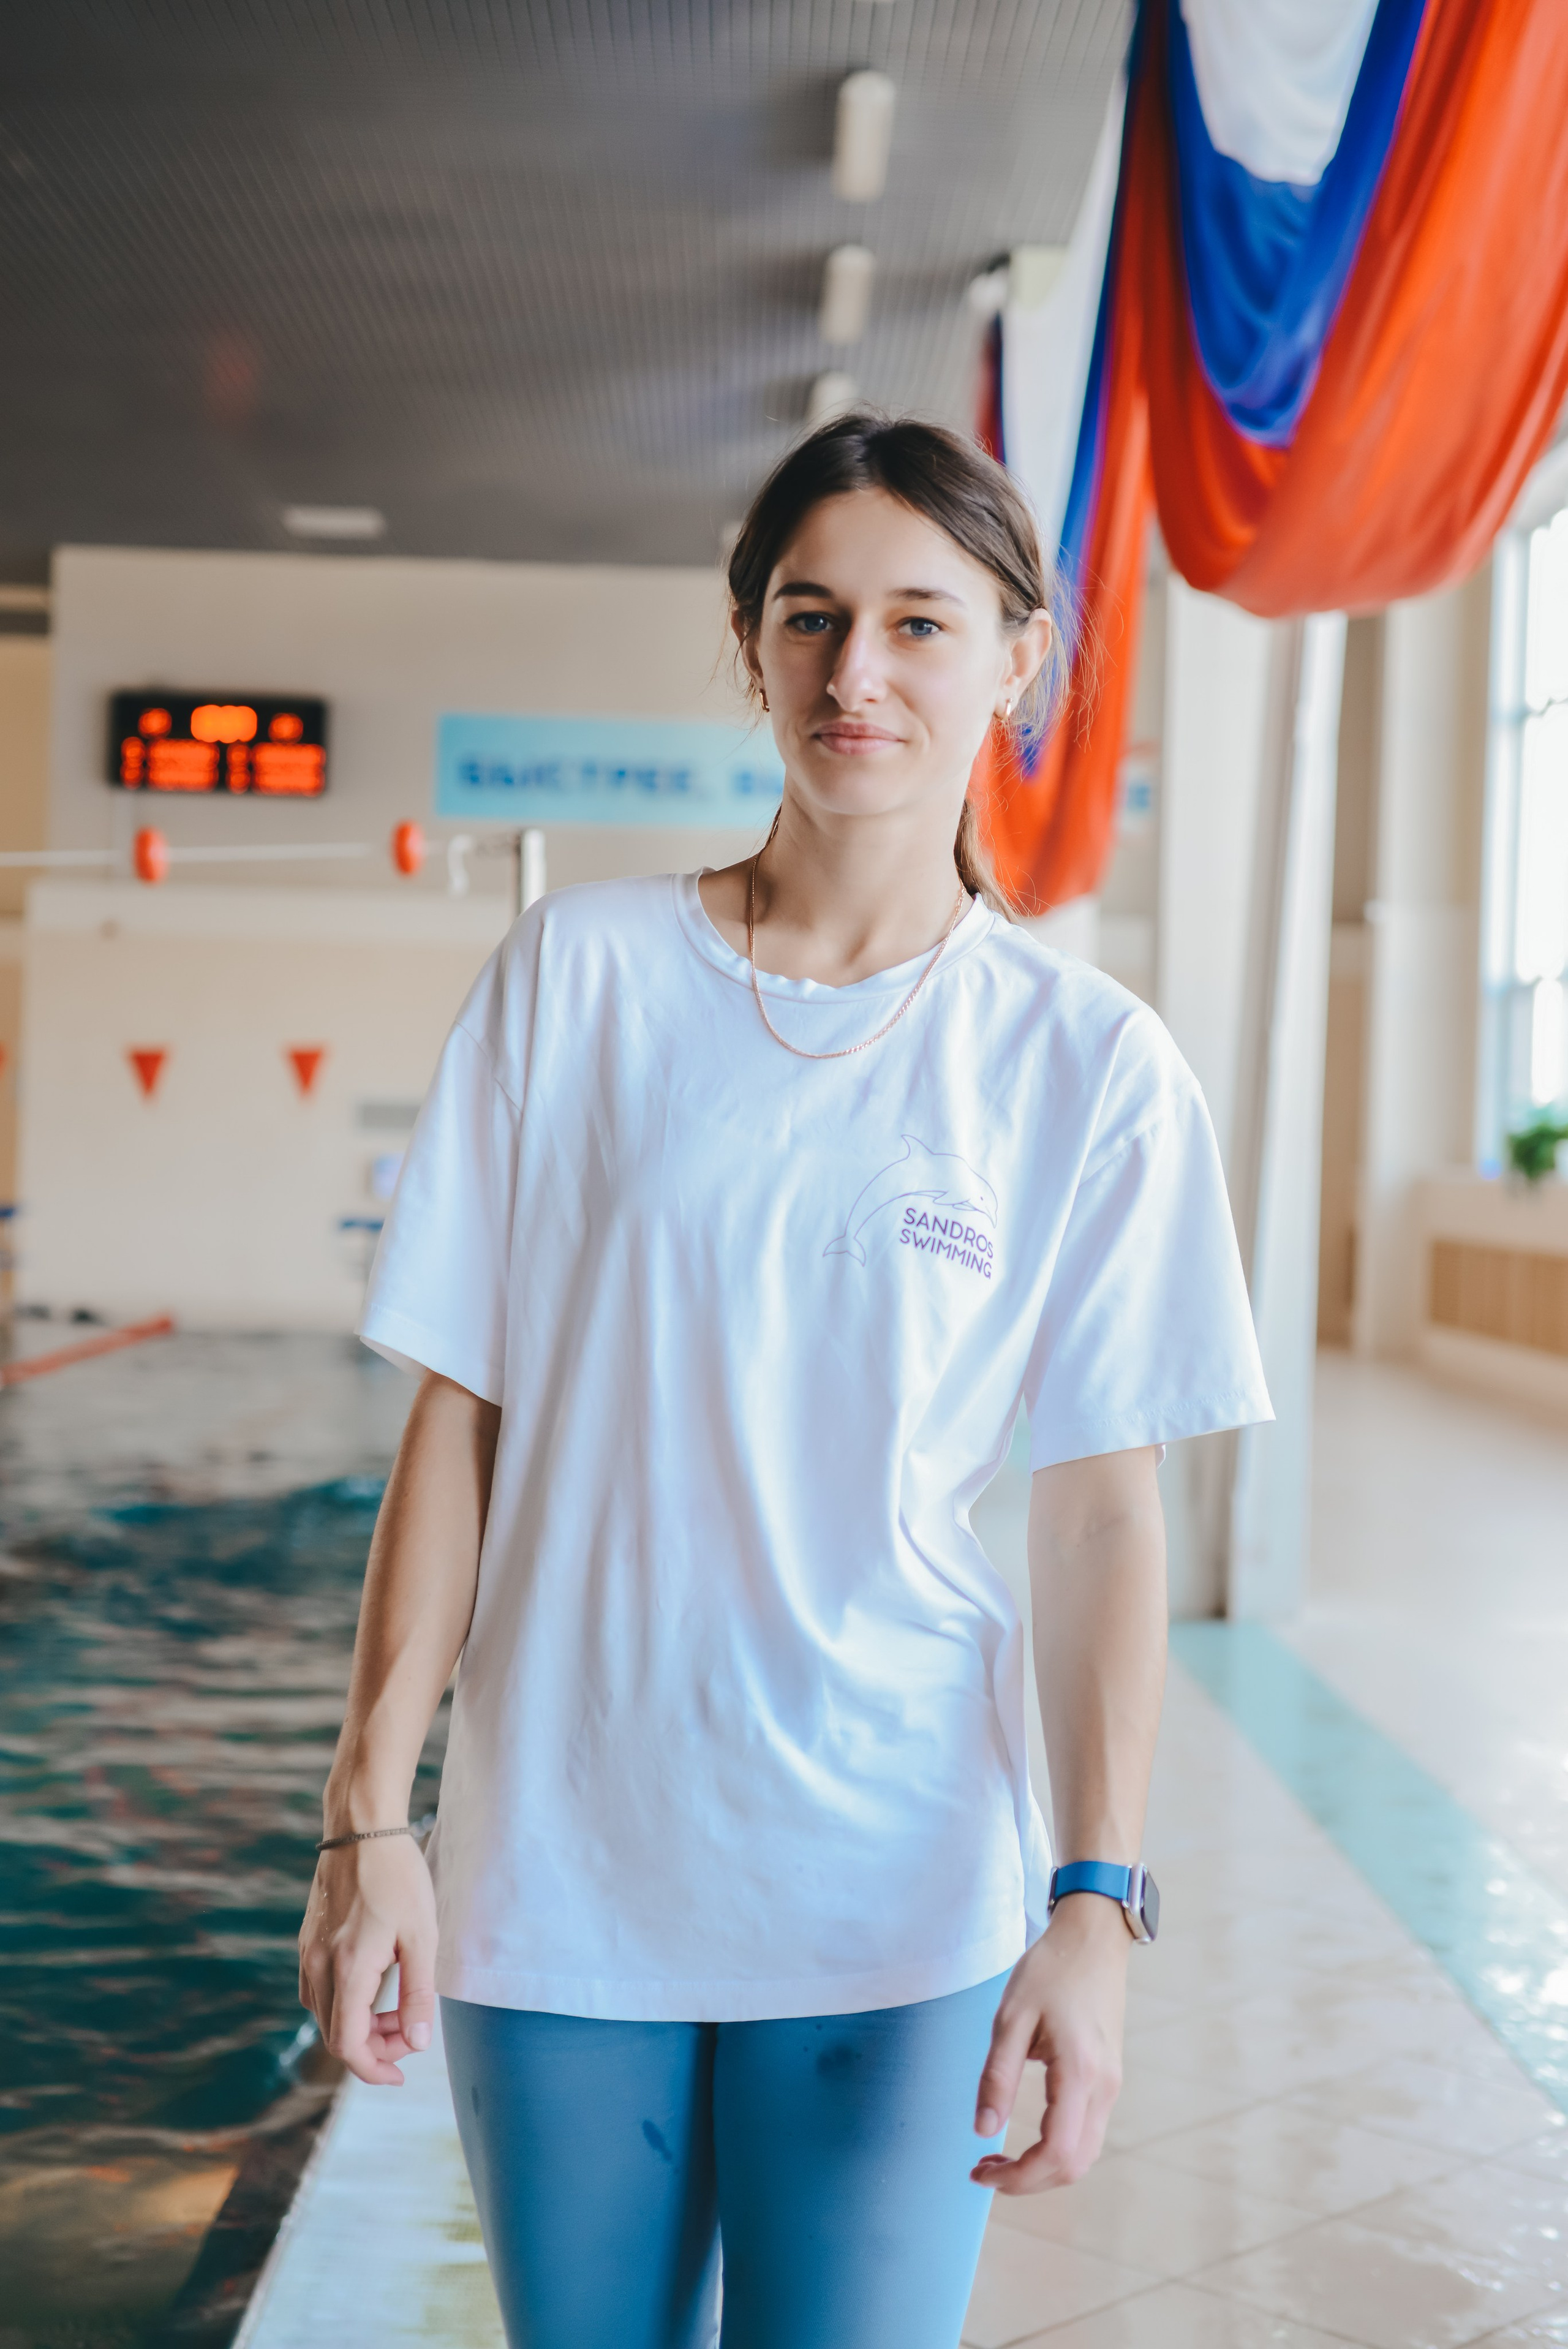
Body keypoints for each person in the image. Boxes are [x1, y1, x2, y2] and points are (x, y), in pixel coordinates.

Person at [298, 412, 1271, 2349]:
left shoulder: (1083, 1065)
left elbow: (1095, 1514)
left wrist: (1095, 1902)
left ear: (1018, 661)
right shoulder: (575, 981)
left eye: (923, 622)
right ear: (748, 646)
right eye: (812, 616)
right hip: (561, 1867)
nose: (859, 672)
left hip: (899, 1890)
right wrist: (366, 1815)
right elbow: (460, 1417)